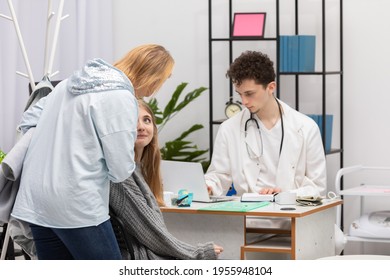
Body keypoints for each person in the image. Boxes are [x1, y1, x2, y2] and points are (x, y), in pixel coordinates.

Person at [10, 44, 175, 260]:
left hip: (37, 202)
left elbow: (28, 120)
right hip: (77, 206)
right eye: (163, 79)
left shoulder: (68, 84)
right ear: (153, 77)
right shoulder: (121, 97)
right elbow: (120, 169)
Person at [109, 100, 223, 260]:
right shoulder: (122, 175)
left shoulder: (139, 170)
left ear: (154, 129)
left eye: (146, 120)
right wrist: (197, 253)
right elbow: (151, 233)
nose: (141, 126)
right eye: (132, 120)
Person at [205, 50, 326, 198]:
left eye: (249, 94)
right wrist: (208, 186)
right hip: (246, 216)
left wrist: (285, 195)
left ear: (271, 87)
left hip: (291, 214)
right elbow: (219, 175)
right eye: (239, 94)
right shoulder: (229, 128)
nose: (244, 102)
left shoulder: (306, 128)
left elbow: (317, 187)